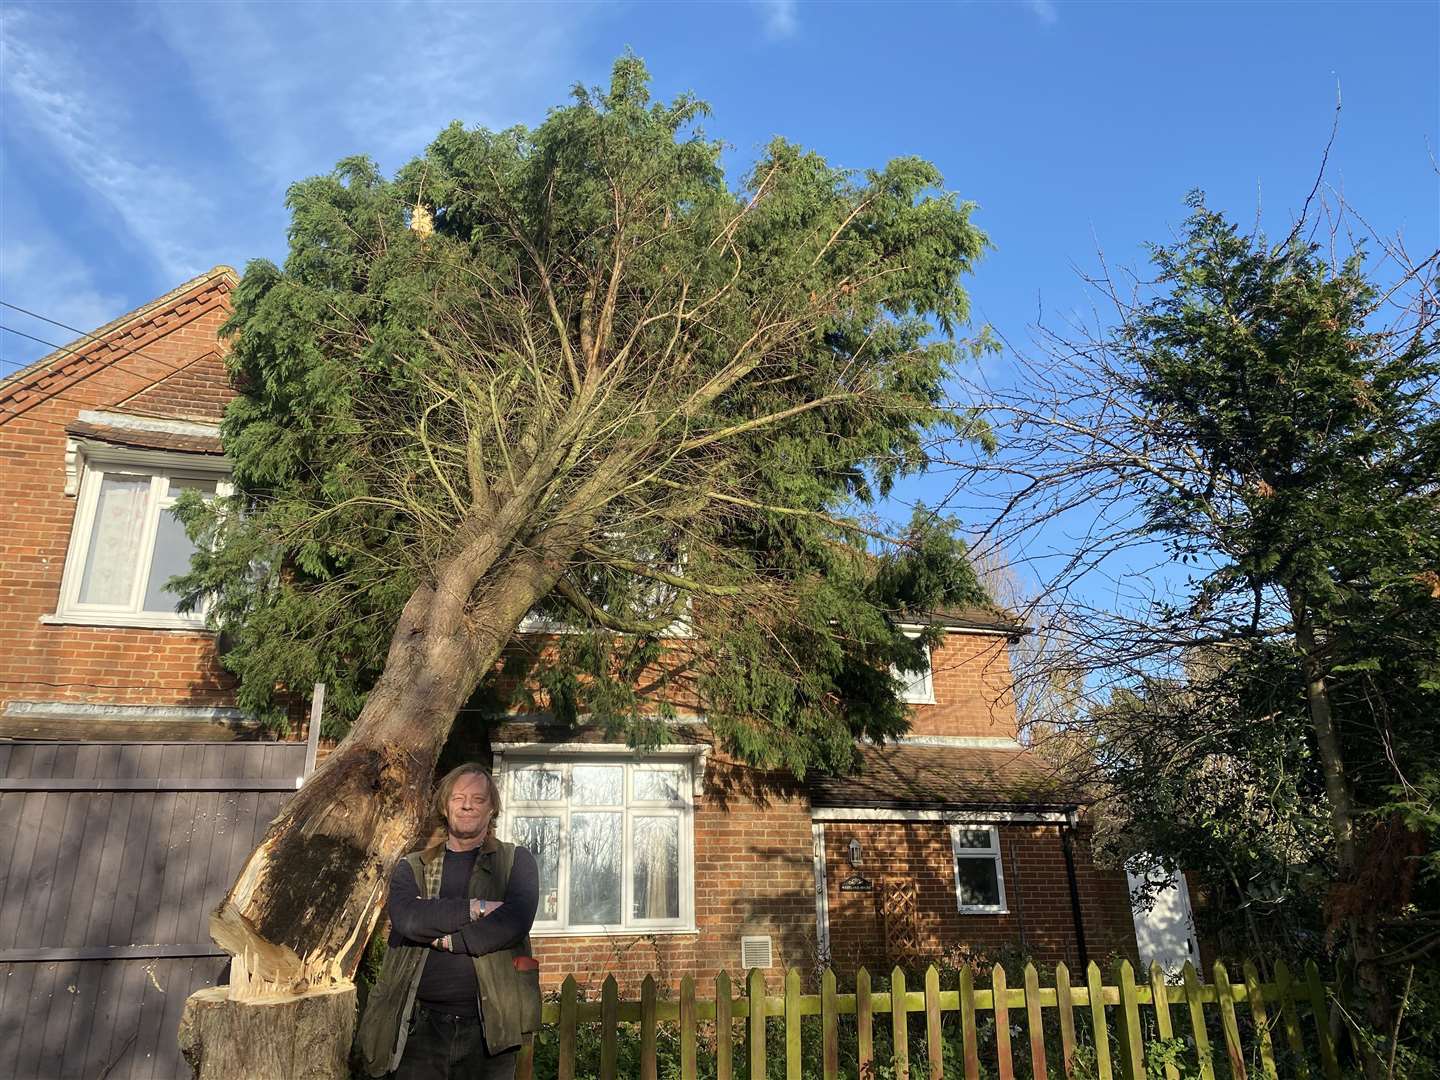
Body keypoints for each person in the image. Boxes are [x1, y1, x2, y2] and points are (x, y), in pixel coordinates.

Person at [358, 763, 541, 1079]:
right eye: (458, 798)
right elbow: (407, 918)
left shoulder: (516, 861)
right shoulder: (412, 867)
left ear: (491, 808)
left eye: (478, 799)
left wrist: (449, 939)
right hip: (420, 1030)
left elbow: (515, 919)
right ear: (445, 806)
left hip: (490, 1033)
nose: (467, 805)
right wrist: (476, 908)